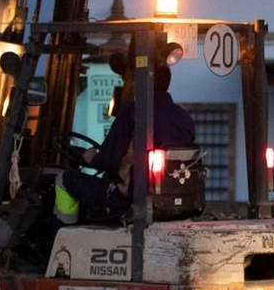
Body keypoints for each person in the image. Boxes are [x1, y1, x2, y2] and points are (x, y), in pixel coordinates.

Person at [55, 64, 196, 225]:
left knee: (64, 180)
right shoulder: (184, 118)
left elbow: (108, 160)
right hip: (170, 197)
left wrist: (90, 157)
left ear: (141, 83)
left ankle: (65, 232)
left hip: (129, 195)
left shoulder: (134, 112)